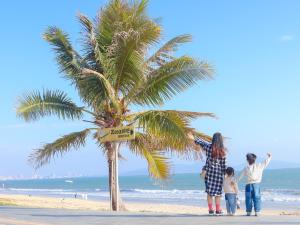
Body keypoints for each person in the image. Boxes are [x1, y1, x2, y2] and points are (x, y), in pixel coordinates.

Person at [192, 132, 227, 215]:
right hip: (218, 174)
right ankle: (218, 210)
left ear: (213, 139)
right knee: (218, 193)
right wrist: (225, 175)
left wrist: (193, 136)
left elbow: (200, 142)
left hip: (209, 172)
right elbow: (223, 165)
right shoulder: (222, 150)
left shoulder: (208, 147)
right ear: (221, 140)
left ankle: (210, 210)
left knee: (209, 192)